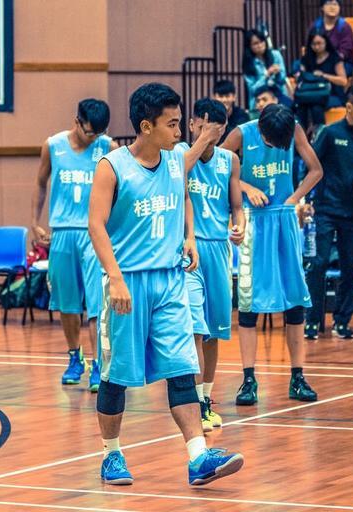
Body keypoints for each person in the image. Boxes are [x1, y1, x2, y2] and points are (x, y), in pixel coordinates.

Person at [90, 82, 244, 485]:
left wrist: (189, 235)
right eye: (172, 124)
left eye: (180, 123)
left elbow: (183, 196)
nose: (179, 132)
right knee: (116, 375)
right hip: (127, 283)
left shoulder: (176, 161)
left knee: (181, 369)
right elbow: (96, 226)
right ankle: (111, 454)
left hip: (171, 281)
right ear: (146, 126)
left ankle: (198, 457)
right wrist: (115, 278)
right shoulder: (112, 166)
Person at [221, 104, 323, 406]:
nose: (276, 146)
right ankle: (248, 379)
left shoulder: (294, 128)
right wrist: (245, 186)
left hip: (285, 219)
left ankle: (298, 377)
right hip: (253, 221)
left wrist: (294, 199)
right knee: (249, 303)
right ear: (261, 128)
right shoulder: (241, 134)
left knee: (295, 300)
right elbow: (215, 166)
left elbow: (316, 170)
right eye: (270, 141)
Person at [33, 99, 118, 392]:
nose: (94, 137)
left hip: (94, 233)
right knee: (67, 303)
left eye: (99, 133)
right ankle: (74, 357)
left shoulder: (108, 147)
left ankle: (98, 364)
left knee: (96, 303)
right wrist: (34, 222)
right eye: (89, 131)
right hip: (62, 232)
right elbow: (41, 183)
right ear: (77, 121)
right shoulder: (53, 146)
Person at [174, 98, 246, 431]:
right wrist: (202, 139)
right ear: (192, 125)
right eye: (203, 129)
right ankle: (193, 403)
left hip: (219, 250)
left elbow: (236, 206)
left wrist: (239, 225)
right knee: (195, 329)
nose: (209, 138)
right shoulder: (178, 154)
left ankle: (205, 399)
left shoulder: (230, 161)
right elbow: (178, 175)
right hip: (189, 251)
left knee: (213, 332)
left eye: (215, 133)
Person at [304, 85, 353, 340]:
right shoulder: (329, 133)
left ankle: (342, 321)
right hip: (325, 209)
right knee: (318, 264)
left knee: (350, 268)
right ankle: (312, 321)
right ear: (349, 107)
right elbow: (311, 166)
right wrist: (307, 198)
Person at [296, 29, 348, 135]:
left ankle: (320, 136)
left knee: (316, 107)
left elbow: (343, 81)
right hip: (311, 93)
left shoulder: (334, 58)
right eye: (313, 44)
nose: (316, 47)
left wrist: (324, 75)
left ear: (326, 42)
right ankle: (302, 137)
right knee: (301, 106)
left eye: (319, 43)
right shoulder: (307, 58)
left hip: (332, 94)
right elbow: (302, 76)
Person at [242, 29, 291, 110]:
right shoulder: (249, 63)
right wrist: (266, 75)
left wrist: (278, 73)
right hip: (259, 99)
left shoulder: (275, 55)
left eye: (262, 41)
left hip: (278, 95)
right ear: (249, 46)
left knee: (289, 108)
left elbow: (282, 80)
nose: (260, 45)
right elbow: (252, 90)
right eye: (255, 43)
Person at [311, 0, 353, 75]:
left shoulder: (344, 26)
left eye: (335, 4)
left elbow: (345, 51)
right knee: (298, 66)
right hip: (319, 60)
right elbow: (311, 46)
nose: (332, 7)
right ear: (322, 7)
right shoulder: (316, 26)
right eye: (328, 4)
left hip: (342, 63)